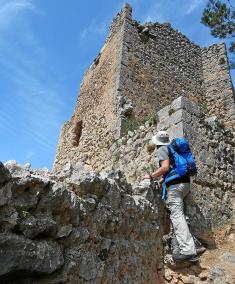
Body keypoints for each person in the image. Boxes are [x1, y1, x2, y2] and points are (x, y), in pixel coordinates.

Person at [142, 131, 198, 262]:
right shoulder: (173, 149)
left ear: (157, 142)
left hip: (175, 186)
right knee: (183, 214)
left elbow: (165, 167)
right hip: (185, 183)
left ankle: (188, 250)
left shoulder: (162, 148)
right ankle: (194, 244)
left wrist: (150, 176)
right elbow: (172, 169)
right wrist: (161, 181)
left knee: (177, 215)